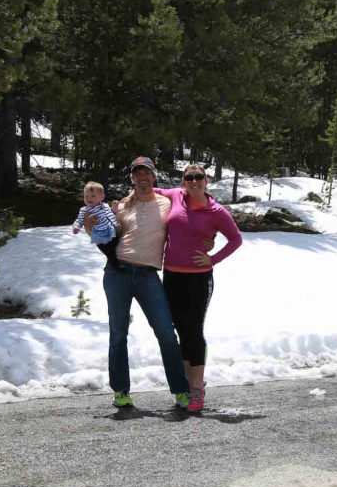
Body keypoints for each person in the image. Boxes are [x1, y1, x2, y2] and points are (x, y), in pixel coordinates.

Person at [86, 157, 189, 409]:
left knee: (166, 331)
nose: (142, 178)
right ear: (132, 178)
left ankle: (181, 390)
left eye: (147, 173)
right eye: (137, 174)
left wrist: (207, 241)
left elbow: (188, 221)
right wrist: (92, 230)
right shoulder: (122, 205)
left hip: (147, 276)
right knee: (118, 333)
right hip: (117, 273)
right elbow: (110, 238)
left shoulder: (166, 203)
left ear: (153, 176)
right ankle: (121, 391)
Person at [153, 164, 243, 413]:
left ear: (206, 181)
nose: (194, 181)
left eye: (199, 177)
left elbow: (236, 239)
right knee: (179, 329)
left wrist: (212, 259)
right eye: (189, 177)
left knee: (193, 330)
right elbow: (149, 189)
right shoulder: (175, 196)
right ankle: (184, 384)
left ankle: (197, 386)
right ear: (183, 181)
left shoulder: (216, 211)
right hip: (171, 276)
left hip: (199, 279)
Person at [72, 181, 120, 269]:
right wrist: (76, 227)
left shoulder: (105, 206)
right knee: (109, 251)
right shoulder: (84, 210)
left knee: (116, 245)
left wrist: (114, 208)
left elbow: (110, 214)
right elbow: (79, 220)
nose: (88, 198)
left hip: (111, 230)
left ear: (102, 197)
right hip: (99, 235)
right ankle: (115, 267)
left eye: (92, 196)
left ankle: (114, 263)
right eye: (86, 196)